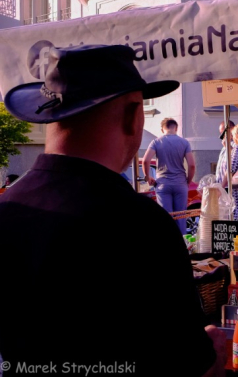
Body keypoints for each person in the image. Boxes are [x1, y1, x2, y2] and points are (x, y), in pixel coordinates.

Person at [0, 45, 224, 376]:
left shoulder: (6, 208)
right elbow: (187, 362)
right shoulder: (140, 225)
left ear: (48, 116)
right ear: (134, 116)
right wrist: (215, 350)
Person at [143, 117, 196, 235]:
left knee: (166, 218)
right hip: (180, 184)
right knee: (181, 216)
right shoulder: (184, 142)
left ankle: (168, 248)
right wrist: (188, 181)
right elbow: (192, 165)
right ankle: (182, 247)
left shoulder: (156, 142)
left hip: (162, 184)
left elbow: (146, 161)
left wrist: (148, 177)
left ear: (162, 129)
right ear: (176, 128)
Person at [215, 120, 236, 187]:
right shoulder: (225, 145)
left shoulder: (236, 144)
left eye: (222, 133)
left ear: (231, 129)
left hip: (229, 187)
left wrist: (222, 186)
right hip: (222, 186)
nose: (221, 136)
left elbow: (235, 158)